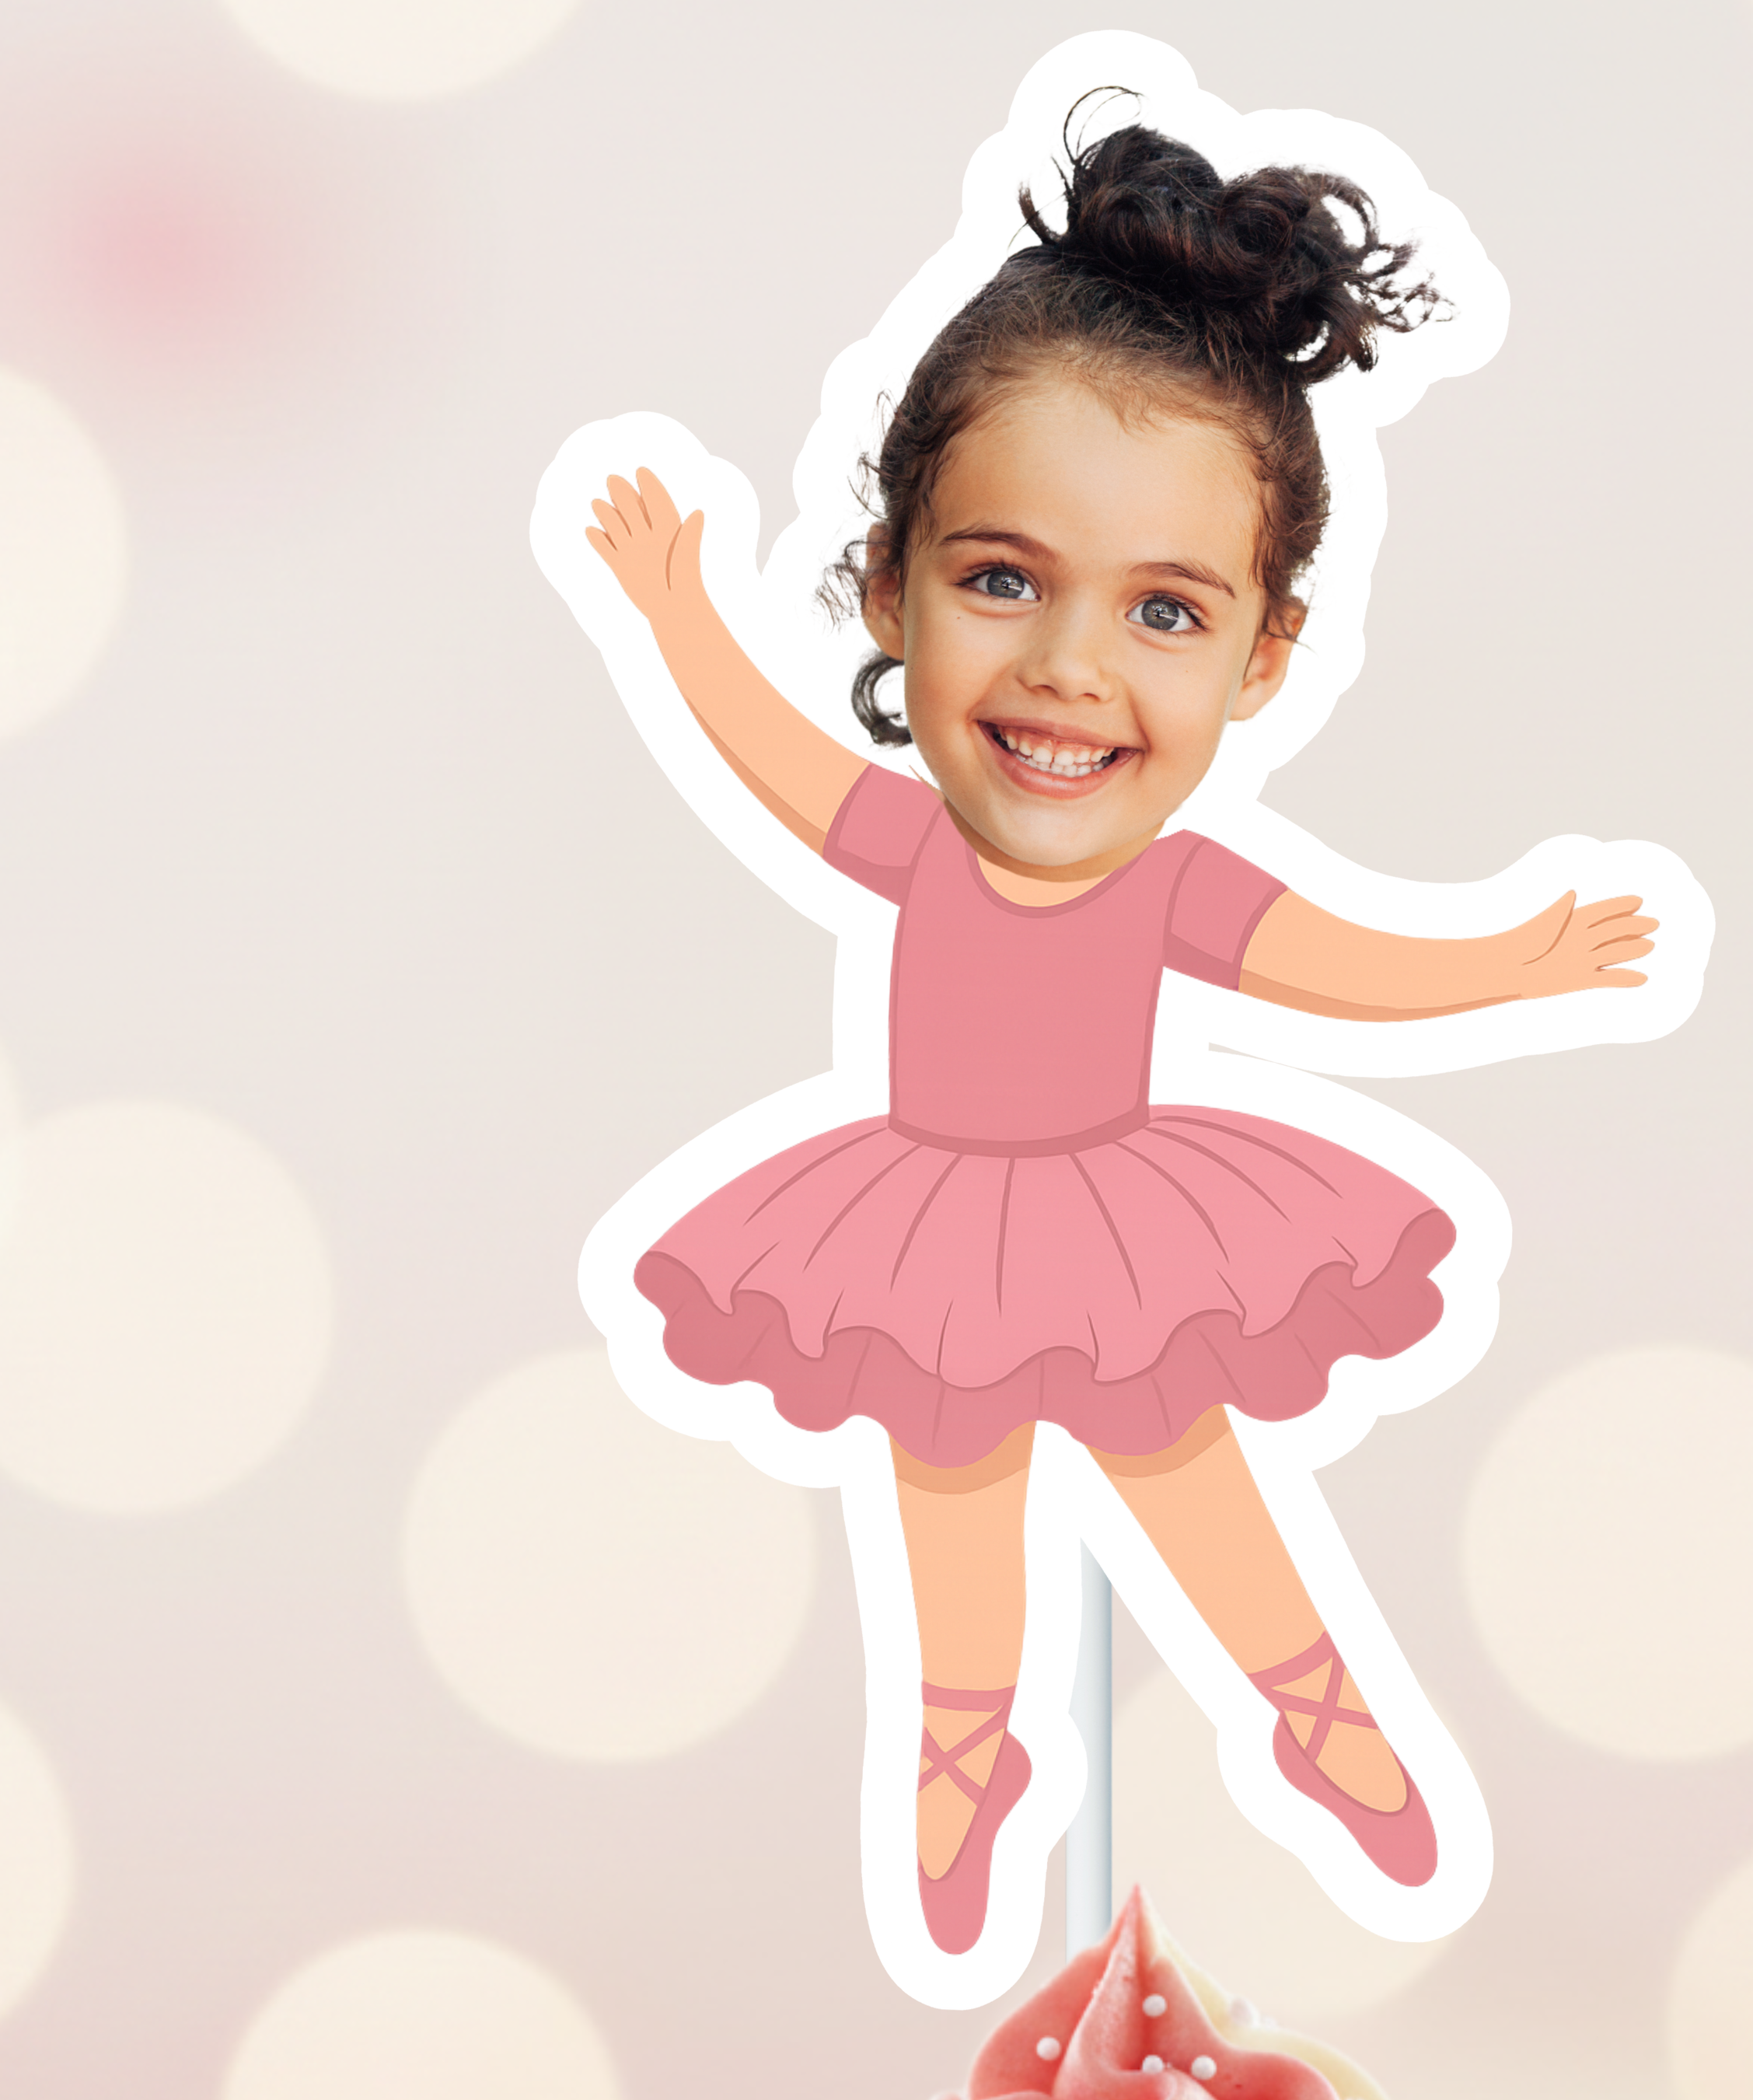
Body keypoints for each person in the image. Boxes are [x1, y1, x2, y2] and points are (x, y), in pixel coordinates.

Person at [584, 119, 1657, 1958]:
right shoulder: (912, 847)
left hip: (1125, 1227)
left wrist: (1518, 960)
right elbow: (766, 761)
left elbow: (1346, 968)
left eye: (1163, 611)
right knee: (951, 1505)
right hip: (920, 1229)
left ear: (1262, 658)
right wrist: (679, 612)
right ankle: (965, 1753)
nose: (1071, 667)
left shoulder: (1177, 892)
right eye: (1002, 580)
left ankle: (1312, 1709)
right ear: (888, 586)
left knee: (1190, 1474)